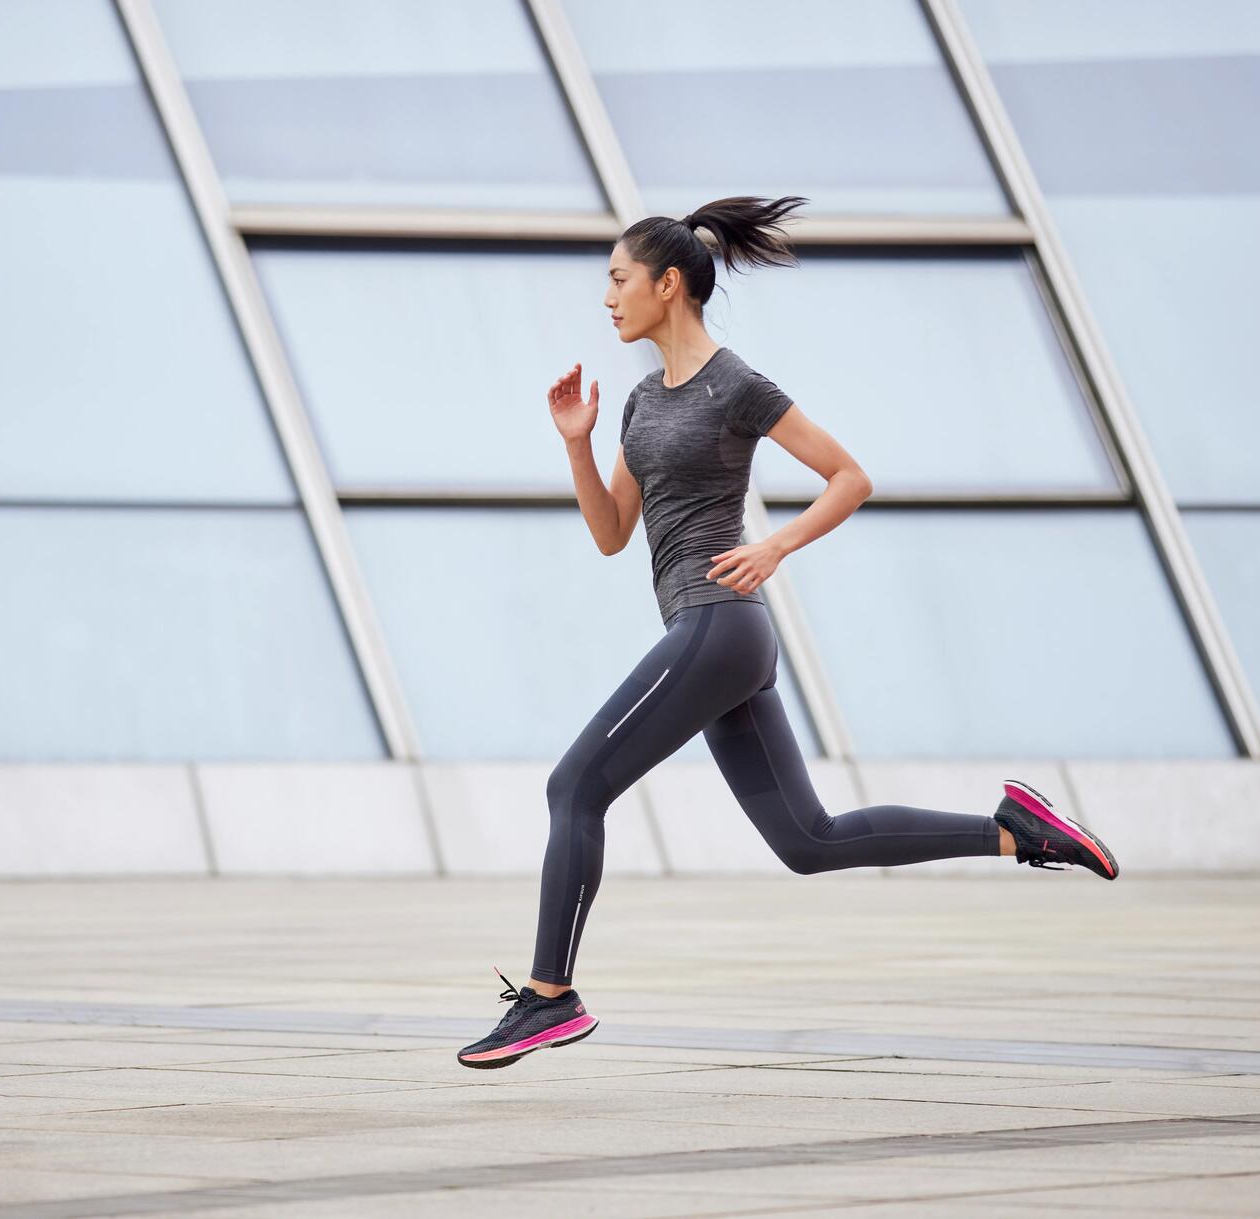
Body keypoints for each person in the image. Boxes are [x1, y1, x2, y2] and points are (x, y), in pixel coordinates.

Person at [456, 196, 1118, 1071]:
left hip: (720, 622)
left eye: (618, 280)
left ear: (667, 285)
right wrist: (577, 444)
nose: (607, 298)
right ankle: (1016, 830)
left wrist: (774, 544)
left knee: (574, 786)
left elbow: (849, 477)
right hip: (712, 634)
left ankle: (549, 998)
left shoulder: (737, 385)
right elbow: (614, 531)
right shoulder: (639, 402)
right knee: (809, 840)